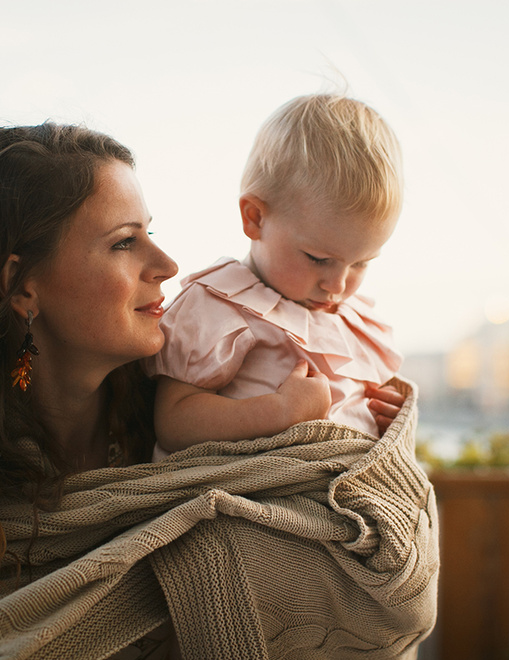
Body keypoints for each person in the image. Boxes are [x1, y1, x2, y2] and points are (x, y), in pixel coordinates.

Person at [0, 121, 438, 660]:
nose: (168, 264)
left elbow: (384, 577)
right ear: (21, 285)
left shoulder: (197, 410)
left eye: (152, 233)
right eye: (126, 242)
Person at [147, 93, 407, 456]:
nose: (338, 286)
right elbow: (174, 423)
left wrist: (384, 421)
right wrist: (280, 412)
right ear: (255, 218)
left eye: (362, 263)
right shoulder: (219, 304)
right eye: (318, 258)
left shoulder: (352, 321)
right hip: (250, 496)